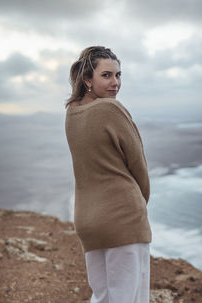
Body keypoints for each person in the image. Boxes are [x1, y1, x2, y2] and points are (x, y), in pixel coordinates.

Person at [64, 46, 151, 303]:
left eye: (118, 75)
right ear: (87, 79)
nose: (116, 83)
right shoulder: (111, 110)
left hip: (88, 220)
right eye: (107, 75)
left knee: (102, 296)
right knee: (130, 296)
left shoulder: (72, 114)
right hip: (122, 218)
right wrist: (139, 204)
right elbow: (138, 165)